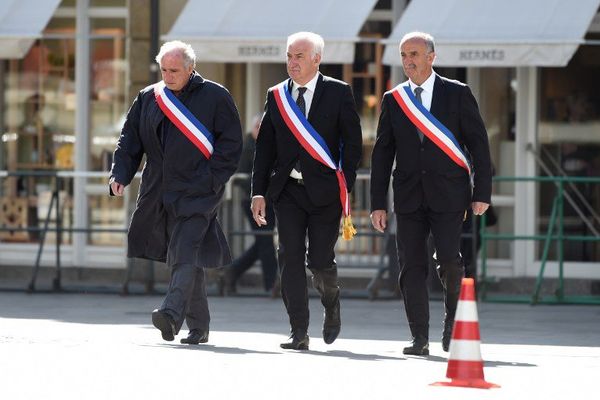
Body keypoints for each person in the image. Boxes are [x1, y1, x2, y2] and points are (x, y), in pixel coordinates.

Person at [109, 40, 242, 345]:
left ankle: (170, 313)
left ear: (190, 68)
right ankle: (200, 327)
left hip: (200, 191)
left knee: (183, 248)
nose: (167, 76)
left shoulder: (216, 96)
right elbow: (130, 139)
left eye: (174, 70)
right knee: (185, 253)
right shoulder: (148, 97)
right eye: (164, 70)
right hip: (159, 189)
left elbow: (231, 145)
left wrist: (211, 180)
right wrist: (121, 174)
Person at [370, 32, 492, 355]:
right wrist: (377, 203)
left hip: (449, 195)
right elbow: (382, 153)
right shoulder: (394, 100)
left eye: (414, 54)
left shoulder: (458, 93)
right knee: (410, 265)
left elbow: (479, 144)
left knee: (450, 261)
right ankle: (419, 337)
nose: (408, 60)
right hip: (408, 196)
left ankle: (452, 322)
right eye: (404, 55)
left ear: (431, 57)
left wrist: (481, 192)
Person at [251, 31, 362, 350]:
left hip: (326, 193)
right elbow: (265, 148)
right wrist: (258, 191)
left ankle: (331, 302)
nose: (292, 62)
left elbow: (353, 144)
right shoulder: (277, 95)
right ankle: (298, 330)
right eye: (288, 56)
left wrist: (345, 184)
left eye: (299, 56)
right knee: (288, 256)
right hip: (288, 192)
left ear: (317, 59)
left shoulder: (339, 92)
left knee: (320, 260)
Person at [225, 115, 278, 295]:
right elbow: (240, 176)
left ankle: (232, 272)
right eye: (258, 127)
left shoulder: (269, 144)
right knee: (265, 242)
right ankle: (271, 284)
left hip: (269, 202)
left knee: (263, 241)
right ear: (253, 129)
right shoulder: (247, 147)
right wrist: (259, 188)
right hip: (253, 202)